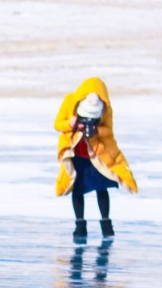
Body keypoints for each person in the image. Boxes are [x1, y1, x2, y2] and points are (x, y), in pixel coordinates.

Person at [52, 77, 138, 241]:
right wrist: (71, 124)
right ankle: (80, 225)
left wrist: (96, 130)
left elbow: (109, 131)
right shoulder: (70, 101)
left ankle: (106, 224)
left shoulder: (106, 108)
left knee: (101, 187)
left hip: (95, 154)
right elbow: (57, 124)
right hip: (76, 153)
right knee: (77, 189)